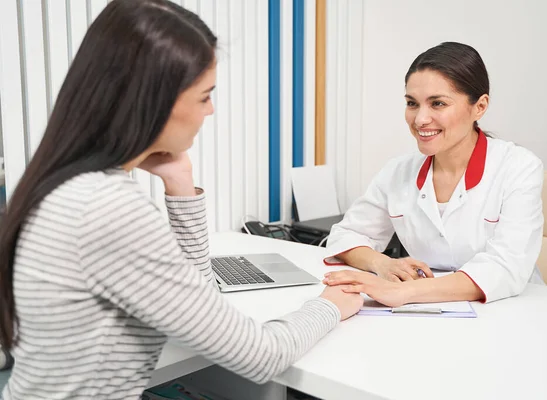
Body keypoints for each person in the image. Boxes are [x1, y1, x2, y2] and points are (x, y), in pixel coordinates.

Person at [0, 1, 363, 399]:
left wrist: (181, 183)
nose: (211, 110)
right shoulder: (107, 208)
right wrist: (329, 305)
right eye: (204, 96)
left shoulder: (62, 182)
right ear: (154, 101)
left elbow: (197, 298)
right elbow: (260, 355)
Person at [322, 42, 545, 307]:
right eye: (412, 103)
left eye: (437, 103)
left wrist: (402, 293)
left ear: (480, 106)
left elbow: (506, 266)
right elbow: (344, 236)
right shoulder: (398, 171)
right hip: (429, 309)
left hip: (510, 309)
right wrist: (382, 264)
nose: (420, 119)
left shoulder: (518, 167)